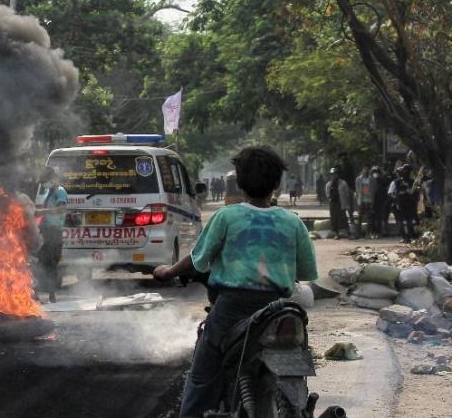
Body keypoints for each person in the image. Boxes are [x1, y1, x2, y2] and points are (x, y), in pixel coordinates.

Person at [153, 146, 318, 418]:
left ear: (239, 182)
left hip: (232, 309)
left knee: (201, 377)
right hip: (278, 309)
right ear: (277, 183)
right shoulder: (293, 222)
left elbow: (197, 261)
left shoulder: (226, 216)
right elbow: (306, 271)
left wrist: (168, 271)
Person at [34, 165, 68, 303]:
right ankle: (36, 293)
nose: (44, 184)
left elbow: (61, 208)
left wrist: (43, 212)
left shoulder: (60, 192)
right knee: (40, 263)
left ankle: (51, 296)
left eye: (45, 180)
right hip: (47, 232)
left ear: (52, 179)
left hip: (54, 233)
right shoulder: (49, 192)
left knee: (51, 265)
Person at [389, 164, 418, 243]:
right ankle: (406, 237)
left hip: (411, 204)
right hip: (402, 204)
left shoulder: (413, 181)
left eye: (405, 170)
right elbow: (397, 193)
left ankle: (414, 236)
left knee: (412, 220)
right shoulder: (398, 182)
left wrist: (407, 190)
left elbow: (414, 193)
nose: (404, 172)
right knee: (404, 221)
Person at [326, 169, 350, 238]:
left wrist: (347, 204)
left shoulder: (343, 183)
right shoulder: (328, 184)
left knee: (343, 218)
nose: (334, 176)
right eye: (332, 174)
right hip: (333, 204)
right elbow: (327, 195)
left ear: (338, 175)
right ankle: (336, 233)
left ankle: (346, 232)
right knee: (334, 219)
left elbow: (347, 193)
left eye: (335, 174)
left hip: (341, 203)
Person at [355, 166, 375, 238]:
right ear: (362, 170)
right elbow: (357, 191)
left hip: (369, 200)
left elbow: (373, 190)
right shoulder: (358, 179)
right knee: (359, 217)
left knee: (369, 217)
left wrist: (372, 201)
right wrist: (358, 201)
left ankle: (368, 233)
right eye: (364, 169)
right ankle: (358, 233)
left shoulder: (372, 179)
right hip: (361, 200)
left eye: (367, 169)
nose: (366, 171)